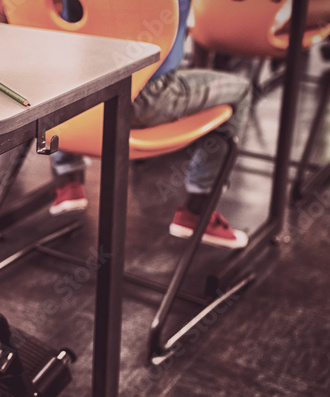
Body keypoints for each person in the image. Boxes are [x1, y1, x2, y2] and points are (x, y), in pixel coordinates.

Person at [50, 0, 250, 250]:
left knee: (67, 61)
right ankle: (198, 209)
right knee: (241, 90)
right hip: (145, 96)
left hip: (77, 97)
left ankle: (68, 178)